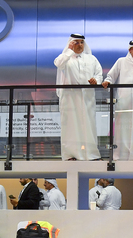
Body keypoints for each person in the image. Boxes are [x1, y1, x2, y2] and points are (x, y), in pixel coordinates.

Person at [54, 33, 103, 161]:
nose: (79, 45)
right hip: (70, 98)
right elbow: (58, 63)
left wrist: (95, 80)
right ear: (71, 43)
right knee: (70, 126)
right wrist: (69, 51)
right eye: (76, 42)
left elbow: (99, 74)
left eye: (81, 42)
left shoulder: (91, 59)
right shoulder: (65, 57)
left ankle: (90, 154)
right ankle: (70, 154)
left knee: (89, 125)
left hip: (87, 97)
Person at [102, 40, 133, 161]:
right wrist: (108, 82)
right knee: (122, 129)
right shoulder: (121, 62)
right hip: (124, 101)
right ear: (129, 50)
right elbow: (110, 76)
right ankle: (120, 156)